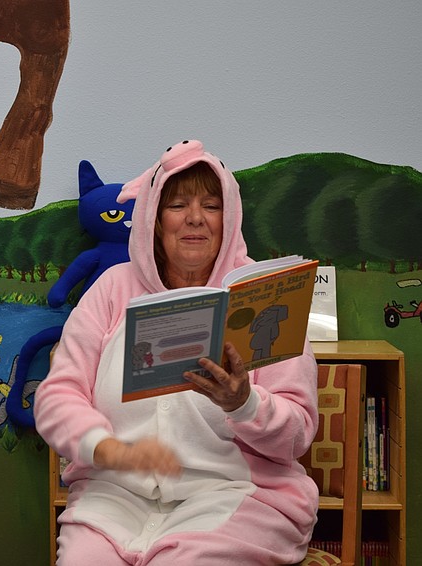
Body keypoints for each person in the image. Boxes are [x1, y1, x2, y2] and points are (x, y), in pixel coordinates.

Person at [34, 140, 319, 565]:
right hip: (114, 497)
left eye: (211, 205)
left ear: (230, 218)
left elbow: (296, 433)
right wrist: (106, 447)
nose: (194, 219)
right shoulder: (111, 289)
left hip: (237, 496)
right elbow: (58, 395)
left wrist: (245, 404)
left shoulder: (262, 297)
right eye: (177, 204)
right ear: (152, 218)